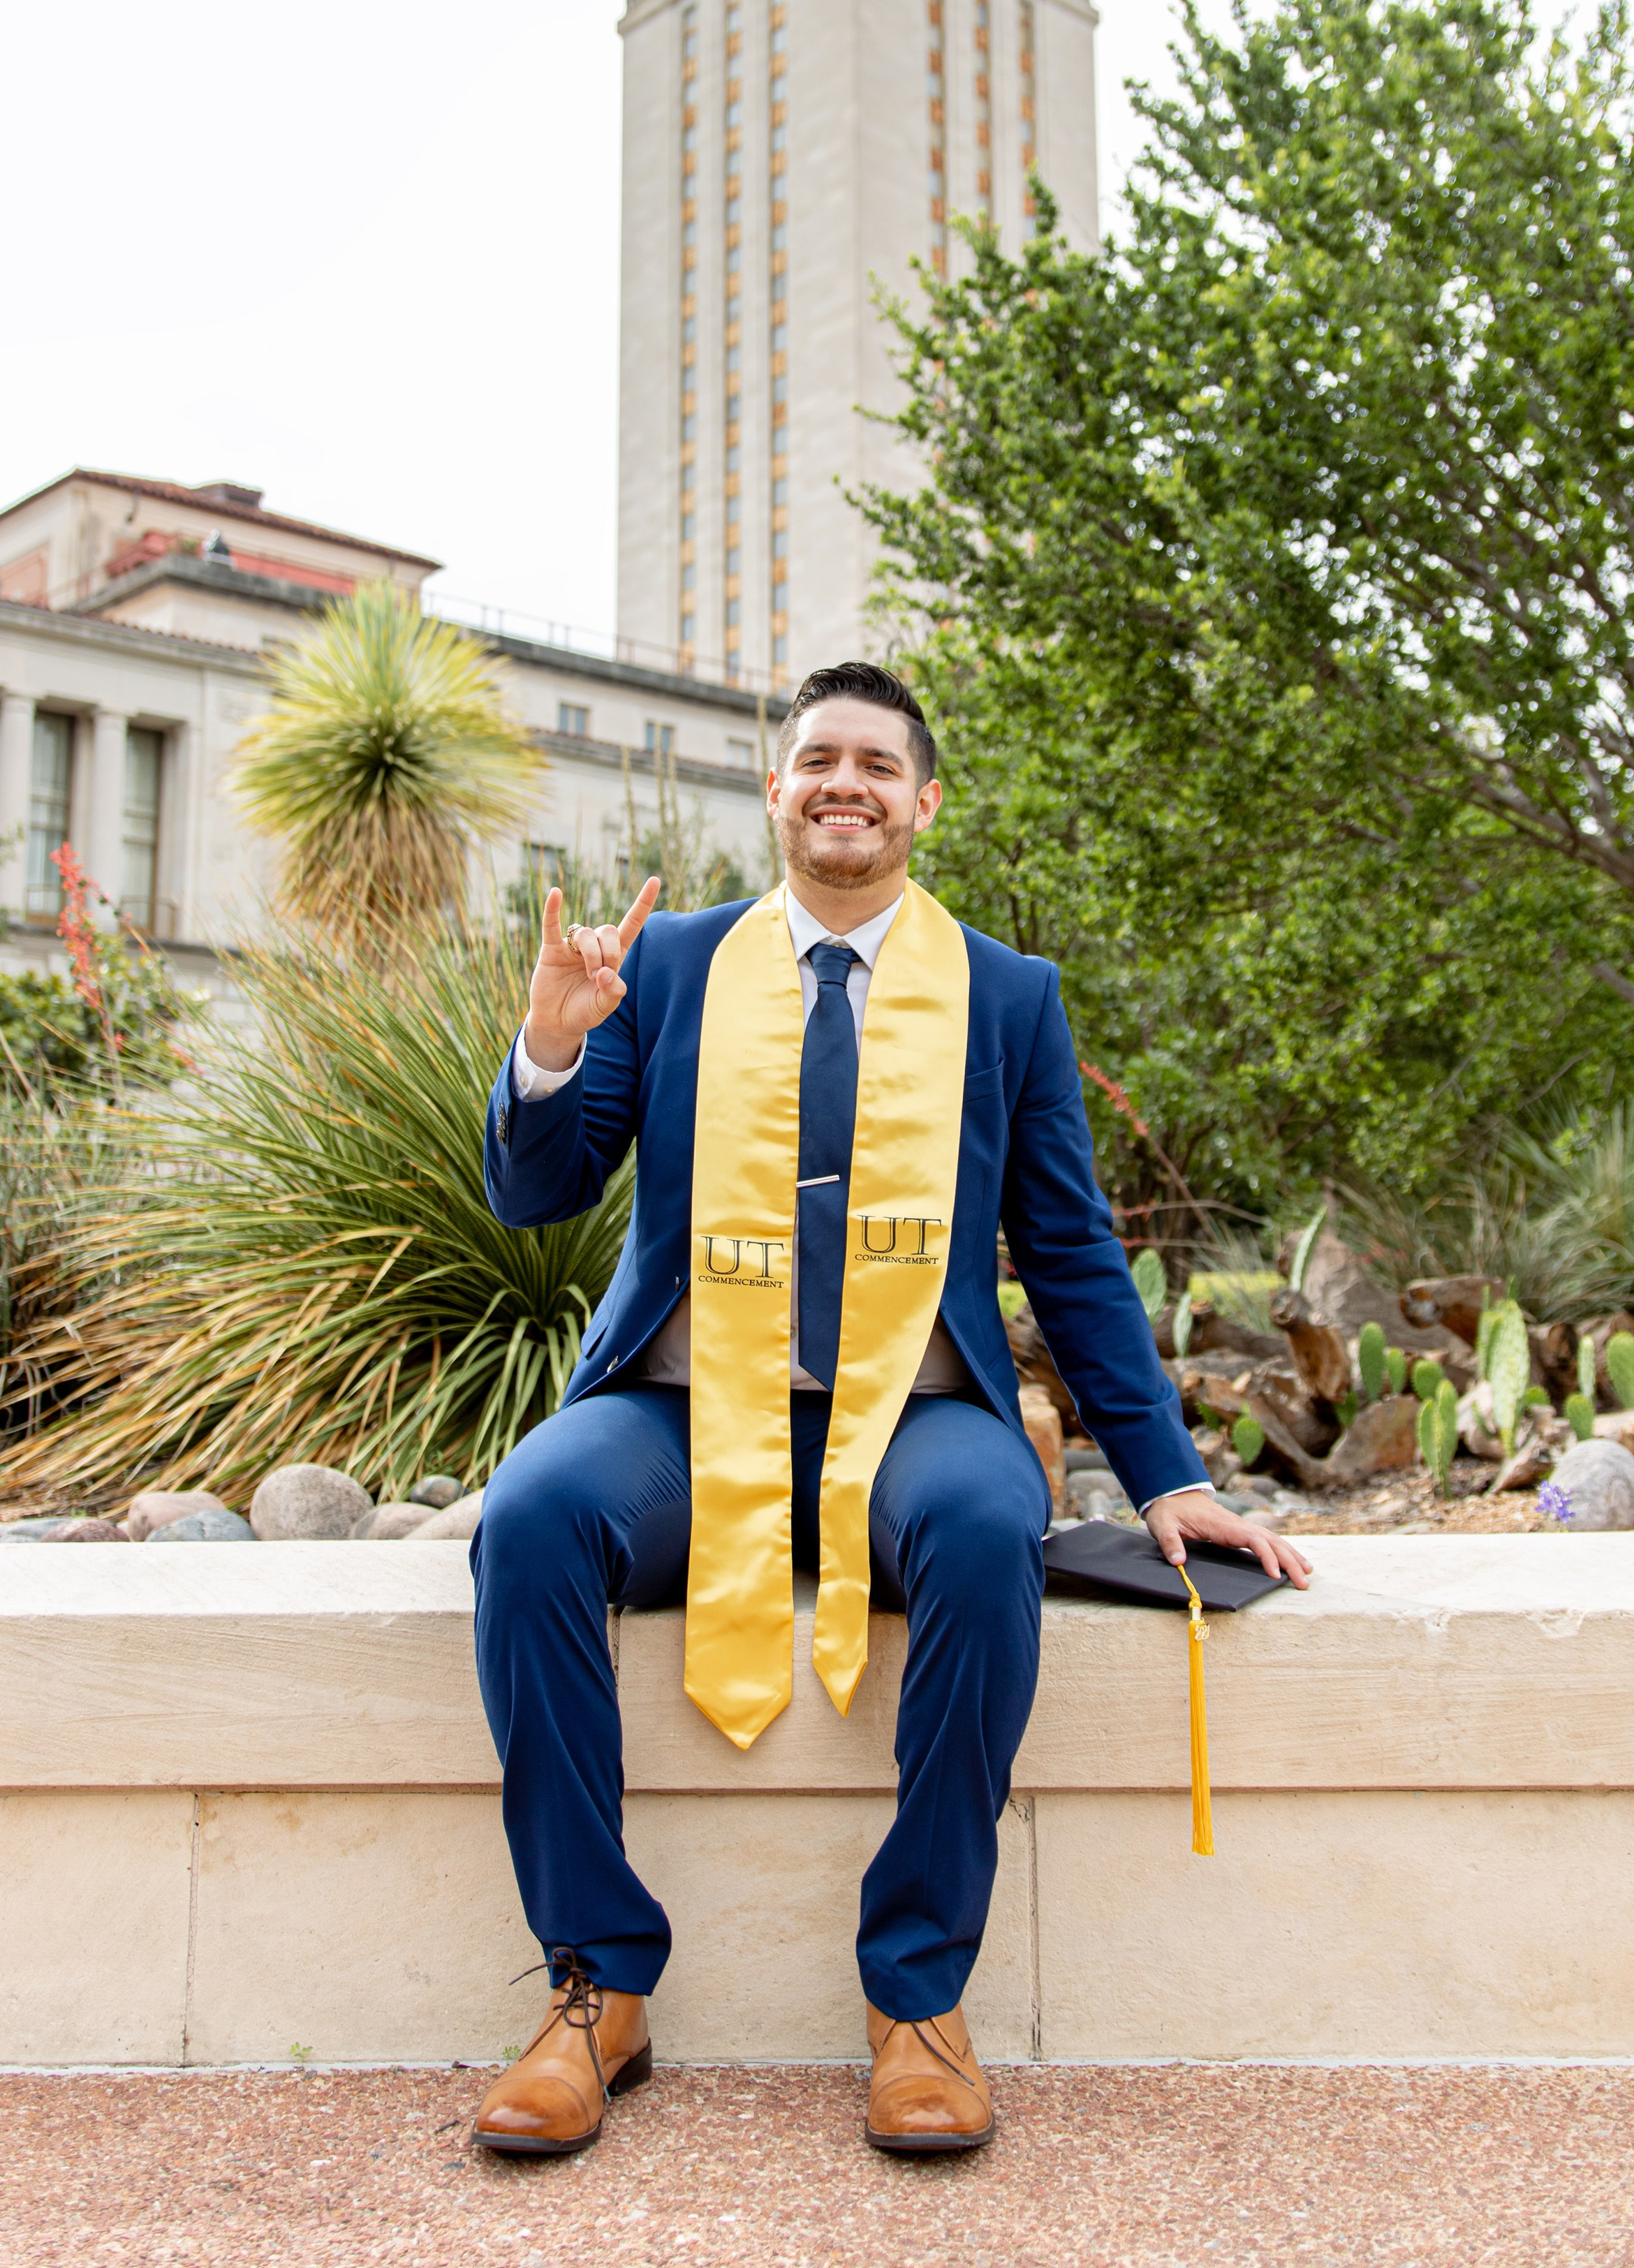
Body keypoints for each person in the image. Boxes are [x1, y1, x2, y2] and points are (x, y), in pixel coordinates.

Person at [469, 661, 1309, 2160]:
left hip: (916, 1418)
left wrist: (1166, 1475)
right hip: (679, 1417)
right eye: (816, 760)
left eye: (874, 763)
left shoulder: (1005, 993)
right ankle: (597, 1986)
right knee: (529, 1519)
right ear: (775, 792)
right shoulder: (670, 967)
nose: (843, 784)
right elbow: (539, 1195)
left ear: (922, 801)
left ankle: (916, 1998)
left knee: (988, 1530)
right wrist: (551, 1043)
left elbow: (1069, 1251)